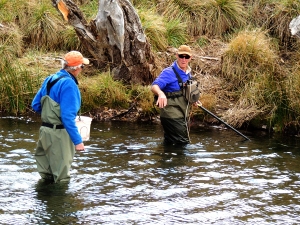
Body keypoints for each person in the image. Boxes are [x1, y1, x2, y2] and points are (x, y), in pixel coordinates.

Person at [32, 51, 89, 183]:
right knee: (61, 179)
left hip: (44, 132)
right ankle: (60, 203)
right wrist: (78, 141)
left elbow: (35, 105)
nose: (82, 69)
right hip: (59, 134)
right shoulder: (69, 84)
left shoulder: (50, 79)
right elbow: (67, 117)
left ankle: (45, 202)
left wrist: (49, 115)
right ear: (77, 68)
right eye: (82, 66)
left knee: (46, 176)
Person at [151, 45, 195, 145]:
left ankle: (165, 158)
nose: (183, 59)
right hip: (171, 115)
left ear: (190, 58)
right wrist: (160, 93)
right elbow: (154, 86)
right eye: (181, 56)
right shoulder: (168, 72)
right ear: (176, 56)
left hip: (182, 114)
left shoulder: (188, 73)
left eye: (186, 57)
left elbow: (188, 91)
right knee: (182, 143)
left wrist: (194, 99)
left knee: (171, 142)